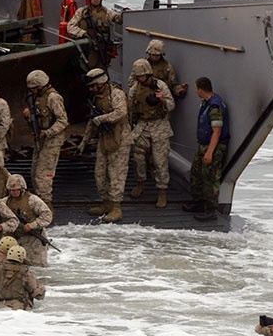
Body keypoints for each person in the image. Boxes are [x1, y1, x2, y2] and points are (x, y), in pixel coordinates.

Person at [78, 67, 131, 223]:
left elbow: (121, 112)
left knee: (116, 174)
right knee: (100, 173)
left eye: (93, 86)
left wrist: (102, 119)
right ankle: (106, 203)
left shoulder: (116, 94)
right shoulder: (97, 98)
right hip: (105, 139)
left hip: (120, 139)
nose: (91, 89)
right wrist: (84, 142)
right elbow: (92, 122)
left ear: (101, 83)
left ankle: (116, 208)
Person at [128, 58, 175, 208]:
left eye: (141, 76)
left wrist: (163, 100)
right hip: (142, 126)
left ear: (148, 74)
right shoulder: (135, 88)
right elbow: (130, 107)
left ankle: (162, 191)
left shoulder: (160, 86)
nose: (139, 79)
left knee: (160, 161)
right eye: (137, 76)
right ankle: (140, 183)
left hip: (159, 126)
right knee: (138, 158)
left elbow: (172, 105)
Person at [21, 69, 68, 212]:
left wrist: (48, 132)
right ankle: (39, 203)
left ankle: (47, 206)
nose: (32, 91)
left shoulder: (53, 98)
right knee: (35, 171)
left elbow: (63, 121)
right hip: (41, 139)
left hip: (52, 139)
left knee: (43, 175)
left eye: (34, 88)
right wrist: (28, 117)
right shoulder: (36, 98)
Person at [184, 76, 229, 220]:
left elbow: (217, 131)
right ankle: (198, 202)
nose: (196, 91)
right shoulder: (206, 103)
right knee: (196, 174)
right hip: (203, 145)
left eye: (196, 88)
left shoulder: (214, 107)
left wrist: (210, 152)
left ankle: (211, 209)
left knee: (210, 178)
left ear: (200, 89)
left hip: (213, 147)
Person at [67, 0, 121, 69]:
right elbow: (70, 27)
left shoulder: (107, 13)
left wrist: (124, 13)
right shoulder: (82, 12)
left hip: (101, 50)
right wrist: (83, 34)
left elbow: (119, 19)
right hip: (85, 49)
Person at [4, 174, 53, 267]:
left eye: (16, 190)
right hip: (17, 239)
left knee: (37, 267)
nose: (14, 192)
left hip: (34, 240)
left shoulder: (32, 200)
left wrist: (33, 225)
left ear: (22, 189)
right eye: (12, 190)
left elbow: (47, 215)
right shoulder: (5, 202)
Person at [0, 245, 46, 310]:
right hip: (20, 307)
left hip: (1, 305)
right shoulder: (24, 272)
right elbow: (37, 294)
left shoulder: (0, 269)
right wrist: (42, 288)